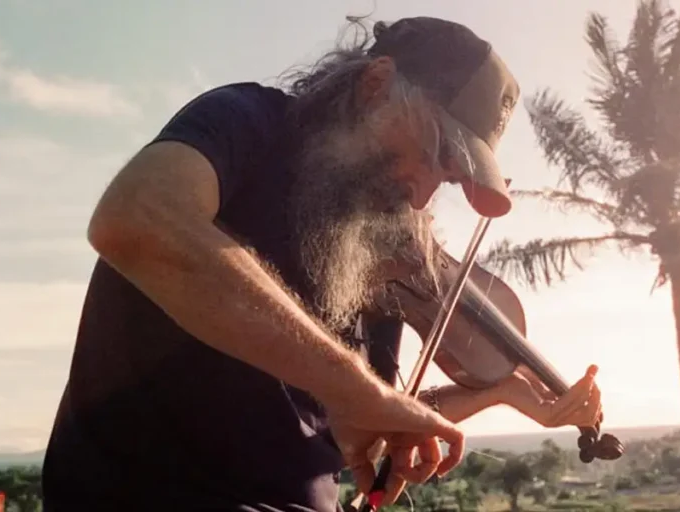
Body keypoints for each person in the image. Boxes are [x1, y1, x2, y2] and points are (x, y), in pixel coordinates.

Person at [41, 16, 602, 512]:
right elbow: (137, 220)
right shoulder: (247, 122)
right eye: (435, 155)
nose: (422, 199)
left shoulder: (376, 236)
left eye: (449, 178)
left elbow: (366, 415)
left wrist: (499, 392)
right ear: (376, 84)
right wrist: (355, 389)